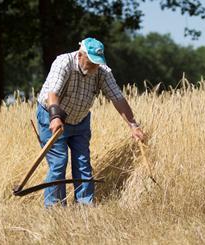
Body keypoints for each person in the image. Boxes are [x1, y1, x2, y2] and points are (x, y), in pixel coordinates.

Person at [36, 37, 144, 207]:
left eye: (97, 63)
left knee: (83, 163)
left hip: (80, 121)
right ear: (80, 55)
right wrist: (55, 117)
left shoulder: (102, 71)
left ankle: (85, 206)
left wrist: (133, 125)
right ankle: (55, 208)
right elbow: (53, 93)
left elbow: (117, 98)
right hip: (52, 116)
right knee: (58, 163)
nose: (95, 67)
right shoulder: (63, 62)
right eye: (92, 62)